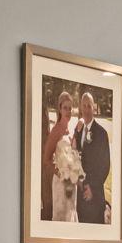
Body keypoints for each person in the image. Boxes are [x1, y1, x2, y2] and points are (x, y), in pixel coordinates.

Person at [74, 90, 111, 224]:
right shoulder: (78, 130)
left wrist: (92, 188)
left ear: (94, 108)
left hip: (94, 196)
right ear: (80, 108)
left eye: (89, 106)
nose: (86, 109)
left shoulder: (101, 133)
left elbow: (105, 166)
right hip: (80, 194)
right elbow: (75, 156)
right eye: (84, 106)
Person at [44, 88, 79, 221]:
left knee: (71, 216)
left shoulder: (70, 130)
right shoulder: (56, 131)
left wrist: (74, 172)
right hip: (60, 183)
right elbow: (46, 159)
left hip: (72, 184)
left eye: (70, 108)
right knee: (61, 218)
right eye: (65, 108)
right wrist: (61, 174)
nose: (68, 111)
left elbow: (73, 156)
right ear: (59, 109)